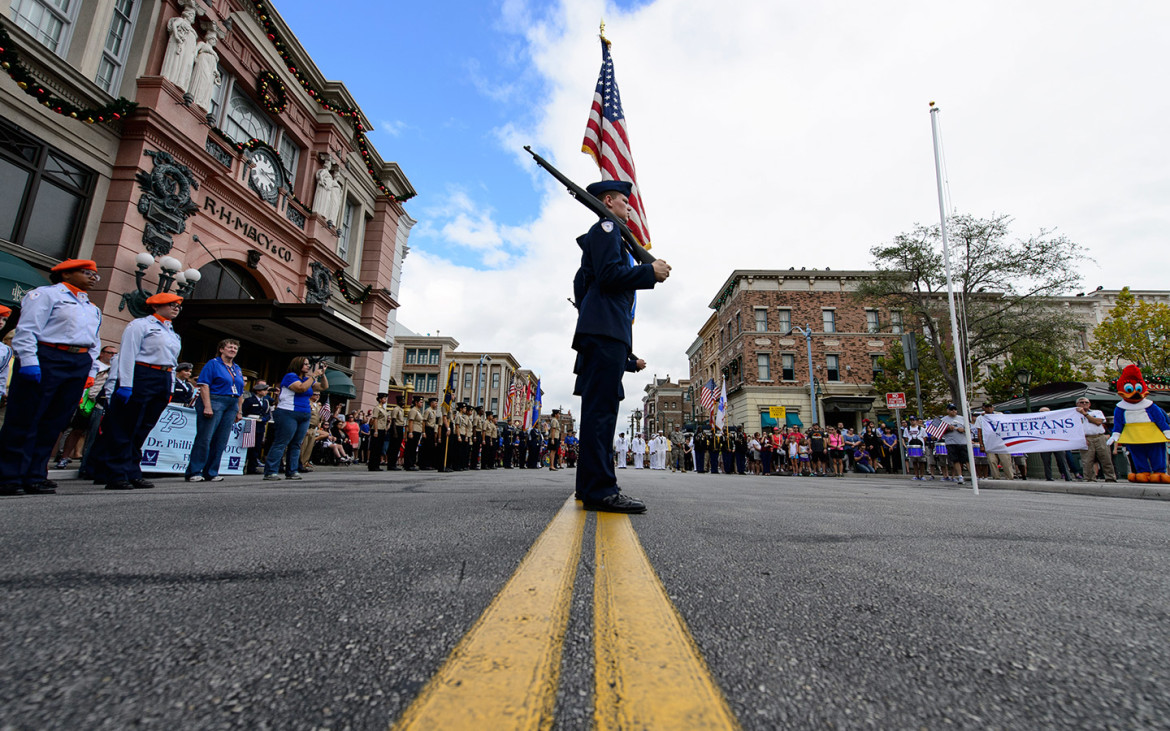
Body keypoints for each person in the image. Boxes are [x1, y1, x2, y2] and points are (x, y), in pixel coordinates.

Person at [571, 180, 669, 513]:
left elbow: (585, 286)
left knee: (597, 412)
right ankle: (601, 490)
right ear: (608, 201)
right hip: (606, 331)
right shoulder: (607, 229)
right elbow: (611, 276)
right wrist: (648, 272)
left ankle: (588, 486)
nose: (630, 207)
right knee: (601, 414)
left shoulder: (606, 233)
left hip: (602, 330)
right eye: (625, 202)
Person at [0, 259, 102, 495]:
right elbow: (27, 330)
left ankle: (35, 473)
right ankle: (9, 474)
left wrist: (90, 370)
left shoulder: (91, 307)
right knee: (26, 419)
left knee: (54, 421)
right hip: (47, 356)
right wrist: (29, 361)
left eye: (95, 274)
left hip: (77, 361)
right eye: (86, 273)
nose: (92, 277)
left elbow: (94, 342)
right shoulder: (45, 295)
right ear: (66, 274)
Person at [88, 293, 183, 490]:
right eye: (171, 305)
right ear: (156, 307)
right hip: (142, 374)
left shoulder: (173, 332)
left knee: (143, 427)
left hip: (162, 378)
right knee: (126, 426)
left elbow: (172, 364)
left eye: (177, 306)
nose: (176, 308)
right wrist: (125, 384)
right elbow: (128, 355)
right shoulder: (140, 325)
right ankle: (115, 472)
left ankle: (131, 469)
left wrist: (170, 386)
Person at [185, 339, 244, 482]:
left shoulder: (237, 368)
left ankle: (211, 471)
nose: (233, 350)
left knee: (221, 439)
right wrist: (207, 406)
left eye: (235, 348)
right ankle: (195, 471)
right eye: (230, 347)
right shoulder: (213, 364)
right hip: (215, 399)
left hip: (232, 402)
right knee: (205, 437)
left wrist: (239, 410)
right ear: (221, 349)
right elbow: (204, 385)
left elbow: (241, 391)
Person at [264, 357, 328, 480]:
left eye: (309, 364)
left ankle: (292, 470)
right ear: (298, 365)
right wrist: (314, 375)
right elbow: (301, 388)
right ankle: (271, 471)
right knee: (281, 442)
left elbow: (323, 387)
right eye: (305, 364)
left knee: (297, 444)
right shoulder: (290, 377)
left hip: (304, 414)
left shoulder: (306, 379)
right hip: (288, 412)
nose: (308, 366)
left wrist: (323, 375)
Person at [1076, 397, 1116, 482]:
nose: (1084, 404)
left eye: (1086, 402)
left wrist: (1085, 414)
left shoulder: (1097, 412)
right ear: (1077, 404)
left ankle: (1110, 477)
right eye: (1081, 402)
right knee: (1087, 460)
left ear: (1089, 404)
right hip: (1086, 438)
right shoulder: (1074, 415)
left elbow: (1098, 422)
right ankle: (1090, 478)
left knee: (1106, 458)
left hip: (1099, 437)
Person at [974, 403, 1015, 480]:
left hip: (1001, 442)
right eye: (987, 407)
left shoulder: (999, 415)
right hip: (989, 442)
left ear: (993, 408)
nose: (989, 408)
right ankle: (996, 477)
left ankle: (1010, 477)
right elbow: (979, 432)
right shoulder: (981, 418)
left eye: (990, 407)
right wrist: (981, 445)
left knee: (1006, 460)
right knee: (992, 461)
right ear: (984, 408)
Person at [241, 381, 272, 475]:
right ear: (258, 391)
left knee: (257, 447)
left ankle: (252, 466)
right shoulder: (249, 400)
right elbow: (244, 412)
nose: (266, 392)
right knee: (247, 445)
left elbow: (267, 414)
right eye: (264, 390)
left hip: (260, 425)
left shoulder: (266, 402)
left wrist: (264, 419)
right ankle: (242, 466)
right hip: (250, 424)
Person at [1035, 406, 1072, 481]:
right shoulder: (1036, 422)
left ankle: (1068, 476)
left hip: (1057, 442)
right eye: (1041, 412)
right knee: (1046, 461)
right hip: (1044, 443)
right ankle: (1049, 477)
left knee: (1062, 460)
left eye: (1045, 411)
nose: (1043, 413)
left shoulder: (1057, 419)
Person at [939, 404, 969, 484]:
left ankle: (973, 475)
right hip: (951, 442)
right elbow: (939, 433)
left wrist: (963, 430)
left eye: (955, 410)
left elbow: (969, 429)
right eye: (951, 410)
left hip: (963, 442)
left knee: (967, 459)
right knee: (955, 460)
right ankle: (960, 476)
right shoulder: (943, 420)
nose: (953, 411)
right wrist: (948, 429)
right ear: (948, 410)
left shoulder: (962, 418)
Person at [368, 393, 389, 471]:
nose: (385, 400)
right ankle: (372, 465)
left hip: (382, 429)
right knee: (375, 448)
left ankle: (376, 464)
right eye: (384, 398)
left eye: (385, 398)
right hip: (377, 429)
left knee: (379, 448)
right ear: (380, 399)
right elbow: (375, 419)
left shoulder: (383, 409)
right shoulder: (377, 408)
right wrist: (376, 430)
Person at [404, 396, 424, 470]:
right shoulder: (413, 410)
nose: (422, 404)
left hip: (418, 431)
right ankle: (408, 464)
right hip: (414, 431)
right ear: (416, 402)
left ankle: (412, 463)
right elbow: (410, 422)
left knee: (414, 448)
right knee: (410, 448)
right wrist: (410, 432)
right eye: (420, 402)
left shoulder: (418, 411)